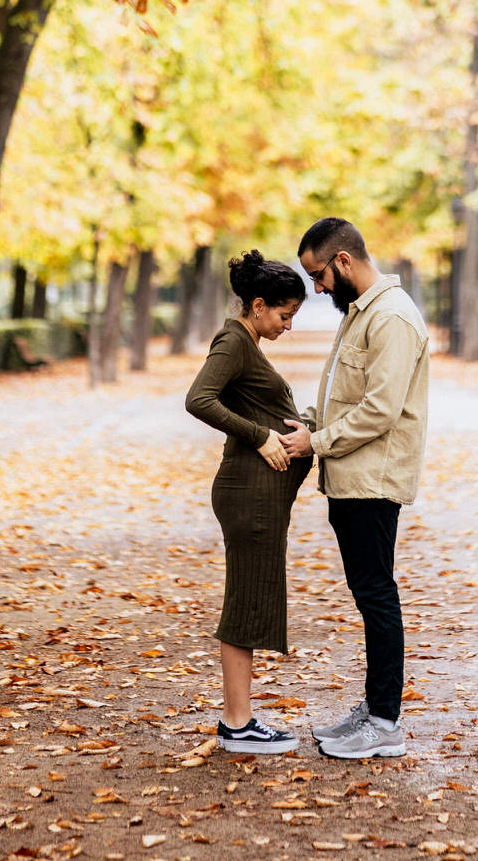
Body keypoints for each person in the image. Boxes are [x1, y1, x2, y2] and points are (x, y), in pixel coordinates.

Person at [282, 217, 429, 759]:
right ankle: (375, 708)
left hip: (372, 480)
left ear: (343, 261)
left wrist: (316, 444)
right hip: (350, 479)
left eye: (318, 275)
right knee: (369, 595)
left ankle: (386, 722)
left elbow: (380, 410)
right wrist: (309, 424)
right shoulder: (361, 313)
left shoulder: (391, 317)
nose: (317, 288)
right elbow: (346, 395)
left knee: (377, 595)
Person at [185, 249, 312, 755]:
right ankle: (237, 724)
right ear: (258, 305)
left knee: (251, 598)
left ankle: (240, 719)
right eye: (284, 316)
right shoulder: (234, 340)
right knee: (244, 601)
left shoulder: (246, 340)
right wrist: (260, 436)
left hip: (258, 496)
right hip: (247, 493)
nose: (287, 326)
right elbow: (199, 399)